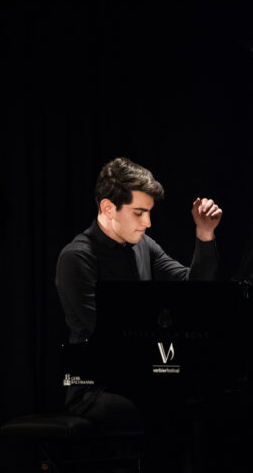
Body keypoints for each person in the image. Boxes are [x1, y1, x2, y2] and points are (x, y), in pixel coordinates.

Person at [54, 156, 222, 429]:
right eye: (139, 212)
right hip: (95, 387)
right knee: (161, 410)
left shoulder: (144, 245)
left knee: (205, 402)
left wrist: (204, 233)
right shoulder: (76, 257)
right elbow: (105, 336)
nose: (148, 222)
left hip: (142, 376)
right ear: (108, 208)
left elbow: (192, 286)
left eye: (149, 212)